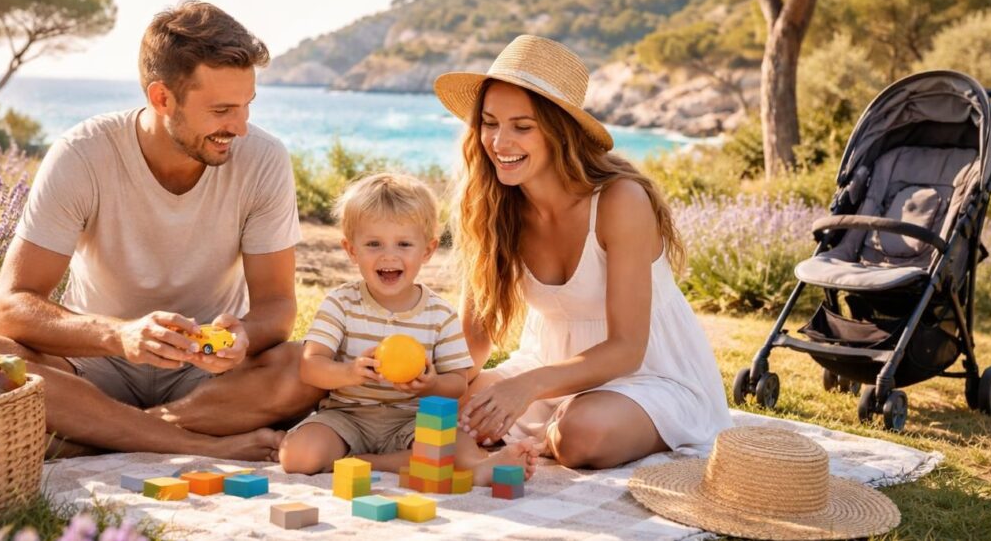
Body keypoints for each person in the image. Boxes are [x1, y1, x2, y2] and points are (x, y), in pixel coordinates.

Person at [0, 0, 325, 461]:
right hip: (92, 365)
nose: (240, 128)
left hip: (206, 376)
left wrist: (244, 337)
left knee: (308, 367)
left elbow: (277, 306)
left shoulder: (264, 161)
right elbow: (10, 308)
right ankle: (188, 441)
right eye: (222, 110)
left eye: (246, 106)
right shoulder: (83, 154)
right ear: (162, 98)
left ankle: (102, 433)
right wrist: (121, 336)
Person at [434, 34, 732, 469]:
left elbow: (627, 349)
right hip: (547, 372)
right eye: (490, 123)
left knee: (580, 433)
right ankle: (537, 435)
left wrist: (527, 387)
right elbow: (474, 338)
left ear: (560, 132)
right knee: (444, 419)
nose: (499, 142)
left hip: (647, 375)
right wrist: (435, 388)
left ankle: (549, 436)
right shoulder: (491, 206)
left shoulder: (620, 201)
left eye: (522, 127)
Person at [278, 173, 538, 483]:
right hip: (347, 417)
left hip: (414, 421)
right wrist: (350, 372)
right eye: (373, 244)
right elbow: (310, 367)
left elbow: (457, 383)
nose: (389, 255)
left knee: (456, 446)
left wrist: (430, 384)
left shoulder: (439, 314)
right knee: (297, 456)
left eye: (404, 244)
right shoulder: (340, 303)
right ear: (351, 250)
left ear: (427, 250)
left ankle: (372, 463)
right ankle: (397, 463)